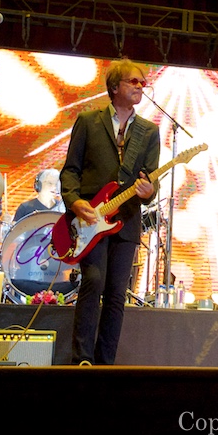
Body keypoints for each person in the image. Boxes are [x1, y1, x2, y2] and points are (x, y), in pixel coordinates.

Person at [60, 58, 160, 365]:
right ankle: (82, 360)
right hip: (90, 219)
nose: (140, 86)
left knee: (117, 295)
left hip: (126, 222)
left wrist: (148, 192)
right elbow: (70, 171)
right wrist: (75, 201)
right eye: (133, 81)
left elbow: (148, 179)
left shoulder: (148, 131)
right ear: (114, 87)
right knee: (94, 281)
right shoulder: (89, 121)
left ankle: (105, 365)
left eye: (143, 82)